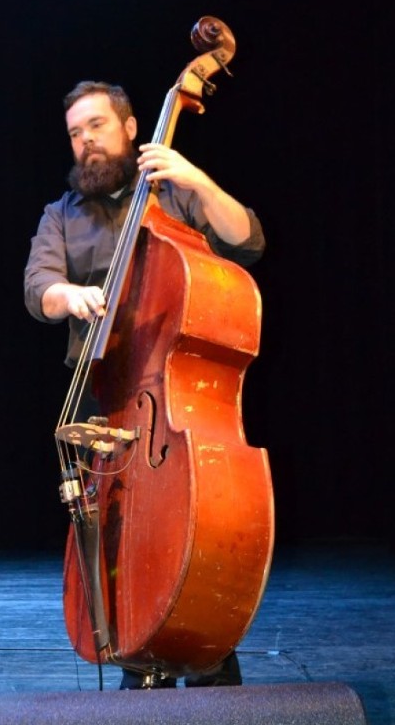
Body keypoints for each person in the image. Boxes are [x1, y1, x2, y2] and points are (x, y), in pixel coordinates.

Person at [24, 80, 265, 688]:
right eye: (76, 134)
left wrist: (198, 182)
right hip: (104, 402)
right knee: (116, 545)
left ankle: (204, 657)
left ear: (132, 129)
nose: (86, 143)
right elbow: (37, 290)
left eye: (97, 127)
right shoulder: (61, 215)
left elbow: (247, 240)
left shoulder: (172, 196)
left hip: (172, 405)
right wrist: (68, 294)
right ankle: (134, 660)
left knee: (189, 532)